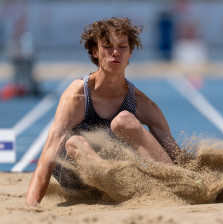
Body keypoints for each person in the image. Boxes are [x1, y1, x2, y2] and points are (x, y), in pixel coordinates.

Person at [25, 17, 181, 207]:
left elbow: (172, 152)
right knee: (75, 142)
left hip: (116, 178)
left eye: (122, 47)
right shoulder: (77, 96)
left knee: (125, 121)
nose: (115, 52)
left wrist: (196, 177)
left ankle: (182, 185)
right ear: (95, 51)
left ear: (130, 52)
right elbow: (48, 155)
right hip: (74, 177)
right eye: (107, 46)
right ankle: (108, 174)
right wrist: (31, 205)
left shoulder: (141, 102)